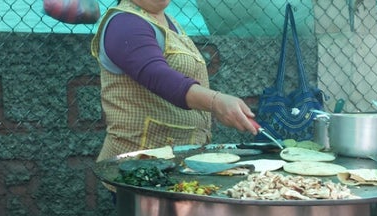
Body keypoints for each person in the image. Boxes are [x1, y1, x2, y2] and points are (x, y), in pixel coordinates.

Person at [90, 0, 258, 163]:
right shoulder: (124, 23)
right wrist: (216, 102)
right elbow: (158, 76)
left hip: (178, 162)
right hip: (138, 165)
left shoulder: (168, 21)